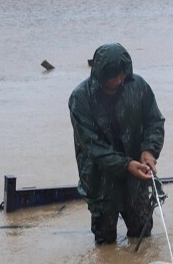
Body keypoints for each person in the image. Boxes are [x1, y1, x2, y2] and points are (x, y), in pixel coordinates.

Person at [69, 42, 165, 245]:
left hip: (136, 179)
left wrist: (149, 149)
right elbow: (92, 146)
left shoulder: (138, 87)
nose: (119, 80)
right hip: (100, 180)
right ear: (100, 75)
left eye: (122, 74)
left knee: (142, 234)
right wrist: (126, 165)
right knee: (105, 241)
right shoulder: (80, 99)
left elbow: (154, 121)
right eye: (113, 76)